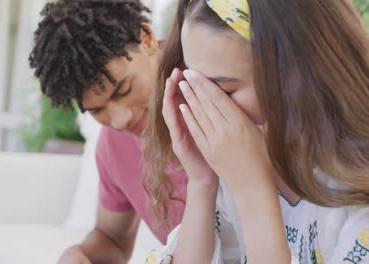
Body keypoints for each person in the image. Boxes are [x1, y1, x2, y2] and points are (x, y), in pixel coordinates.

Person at [144, 0, 369, 263]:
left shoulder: (354, 182)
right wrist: (201, 182)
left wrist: (254, 193)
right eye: (193, 86)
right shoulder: (233, 165)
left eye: (224, 90)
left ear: (295, 73)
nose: (202, 105)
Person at [28, 1, 187, 263]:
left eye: (124, 90)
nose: (120, 120)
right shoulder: (113, 147)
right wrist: (80, 254)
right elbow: (112, 239)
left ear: (146, 39)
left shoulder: (212, 73)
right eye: (97, 110)